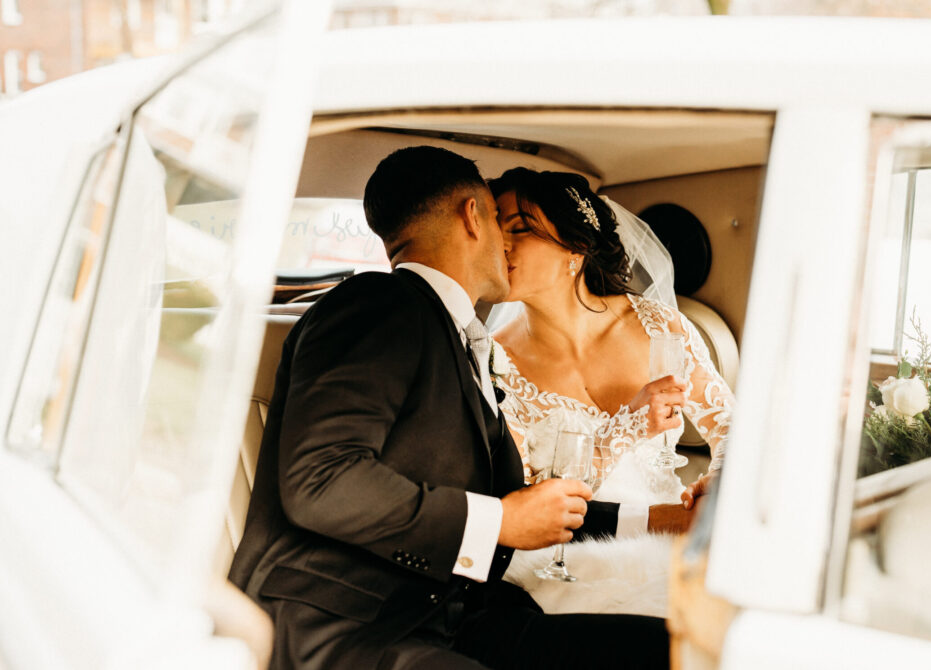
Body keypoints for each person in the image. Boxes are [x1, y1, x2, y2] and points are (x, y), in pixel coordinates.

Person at [228, 146, 688, 670]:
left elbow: (519, 506)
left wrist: (661, 519)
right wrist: (497, 522)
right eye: (500, 220)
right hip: (348, 628)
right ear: (474, 217)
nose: (507, 245)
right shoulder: (376, 304)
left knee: (681, 651)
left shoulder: (462, 337)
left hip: (463, 618)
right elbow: (320, 481)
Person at [489, 167, 734, 513]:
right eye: (494, 233)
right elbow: (525, 502)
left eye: (519, 229)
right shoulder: (493, 362)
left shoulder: (658, 325)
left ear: (576, 246)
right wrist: (629, 424)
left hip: (670, 523)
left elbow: (729, 426)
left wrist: (720, 479)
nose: (500, 246)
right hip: (562, 553)